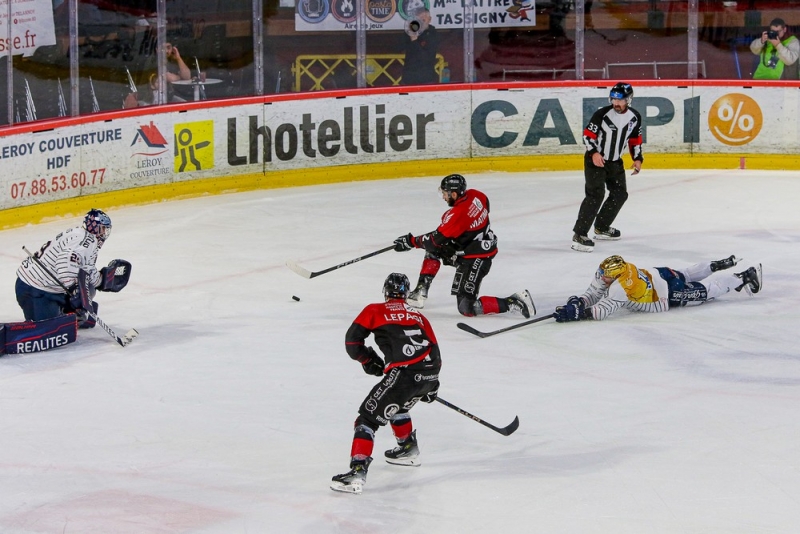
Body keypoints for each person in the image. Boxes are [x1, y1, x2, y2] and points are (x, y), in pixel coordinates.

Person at [330, 273, 441, 494]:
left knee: (367, 419)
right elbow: (435, 350)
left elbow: (352, 342)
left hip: (404, 374)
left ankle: (357, 472)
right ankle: (407, 449)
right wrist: (432, 384)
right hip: (429, 373)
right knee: (398, 403)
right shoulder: (419, 316)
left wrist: (368, 360)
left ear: (385, 291)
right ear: (407, 293)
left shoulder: (374, 310)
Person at [393, 174, 535, 318]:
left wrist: (410, 242)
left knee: (467, 307)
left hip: (476, 258)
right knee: (434, 249)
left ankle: (515, 301)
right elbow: (440, 238)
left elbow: (433, 240)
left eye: (444, 193)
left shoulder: (457, 214)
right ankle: (420, 291)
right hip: (473, 246)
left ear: (453, 194)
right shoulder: (477, 195)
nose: (443, 197)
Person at [553, 254, 762, 323]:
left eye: (606, 275)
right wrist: (579, 302)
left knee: (707, 291)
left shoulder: (621, 287)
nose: (601, 277)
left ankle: (743, 277)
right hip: (660, 273)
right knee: (686, 273)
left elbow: (601, 311)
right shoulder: (621, 270)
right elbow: (594, 293)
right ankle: (714, 265)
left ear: (616, 276)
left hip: (669, 294)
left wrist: (578, 313)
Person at [15, 209, 127, 328]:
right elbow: (64, 260)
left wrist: (102, 281)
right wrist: (75, 290)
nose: (104, 233)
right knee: (48, 329)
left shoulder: (85, 237)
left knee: (88, 287)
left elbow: (86, 268)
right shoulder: (87, 240)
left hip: (48, 288)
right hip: (34, 289)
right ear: (95, 227)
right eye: (103, 229)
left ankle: (68, 313)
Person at [571, 82, 644, 253]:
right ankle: (579, 234)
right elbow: (588, 136)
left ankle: (602, 227)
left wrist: (638, 158)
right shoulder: (602, 114)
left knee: (620, 194)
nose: (616, 104)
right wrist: (594, 153)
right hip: (595, 160)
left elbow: (635, 140)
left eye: (620, 100)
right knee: (595, 195)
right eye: (613, 99)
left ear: (629, 100)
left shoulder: (635, 117)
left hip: (615, 162)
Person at [400, 7, 440, 85]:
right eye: (419, 20)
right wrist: (409, 34)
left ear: (429, 20)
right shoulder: (409, 32)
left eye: (424, 20)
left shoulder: (433, 34)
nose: (421, 22)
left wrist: (414, 41)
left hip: (426, 79)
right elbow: (399, 48)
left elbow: (425, 58)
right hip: (408, 78)